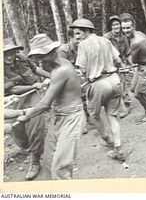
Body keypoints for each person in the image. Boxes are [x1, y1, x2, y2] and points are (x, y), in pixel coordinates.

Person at [16, 34, 85, 180]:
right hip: (58, 116)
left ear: (52, 53)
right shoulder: (56, 68)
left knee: (61, 169)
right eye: (36, 57)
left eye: (41, 57)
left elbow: (44, 104)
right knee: (48, 161)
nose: (38, 62)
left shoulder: (61, 70)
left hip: (71, 118)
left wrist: (27, 115)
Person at [71, 18, 126, 162]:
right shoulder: (106, 40)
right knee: (113, 116)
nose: (77, 37)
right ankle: (118, 148)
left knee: (94, 115)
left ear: (87, 31)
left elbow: (82, 69)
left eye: (78, 33)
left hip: (98, 83)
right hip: (114, 79)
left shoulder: (83, 45)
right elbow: (118, 60)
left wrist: (81, 74)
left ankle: (108, 141)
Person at [3, 38, 50, 181]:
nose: (10, 56)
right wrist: (33, 86)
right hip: (11, 100)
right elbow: (12, 88)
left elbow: (36, 70)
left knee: (35, 124)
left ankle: (35, 160)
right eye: (5, 54)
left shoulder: (22, 59)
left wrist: (52, 77)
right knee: (20, 138)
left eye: (12, 52)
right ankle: (30, 148)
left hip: (32, 97)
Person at [119, 13, 146, 123]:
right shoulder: (139, 34)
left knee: (138, 94)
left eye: (128, 28)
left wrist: (122, 59)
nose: (126, 31)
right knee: (133, 88)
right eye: (123, 28)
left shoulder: (135, 42)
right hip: (142, 66)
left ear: (133, 26)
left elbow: (134, 61)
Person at [57, 29, 92, 134]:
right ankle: (80, 124)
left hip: (80, 77)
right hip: (67, 78)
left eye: (82, 38)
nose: (80, 41)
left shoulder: (84, 47)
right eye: (77, 39)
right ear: (70, 38)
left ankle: (89, 119)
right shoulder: (63, 50)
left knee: (87, 96)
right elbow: (61, 68)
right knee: (76, 100)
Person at [104, 15, 132, 114]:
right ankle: (116, 106)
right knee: (113, 86)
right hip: (110, 65)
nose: (116, 27)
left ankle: (127, 104)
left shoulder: (124, 38)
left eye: (117, 24)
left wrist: (132, 64)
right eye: (113, 25)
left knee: (123, 84)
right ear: (110, 26)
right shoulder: (106, 38)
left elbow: (127, 52)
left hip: (121, 64)